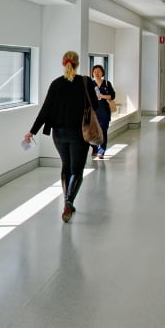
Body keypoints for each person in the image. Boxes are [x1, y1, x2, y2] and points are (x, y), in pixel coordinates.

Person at [23, 50, 98, 223]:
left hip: (59, 134)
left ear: (63, 63)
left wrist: (32, 131)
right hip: (80, 133)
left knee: (66, 165)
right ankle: (68, 201)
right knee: (77, 169)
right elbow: (95, 106)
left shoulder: (56, 84)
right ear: (77, 64)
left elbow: (45, 110)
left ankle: (67, 201)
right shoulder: (85, 82)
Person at [90, 64, 116, 160]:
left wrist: (102, 96)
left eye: (98, 71)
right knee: (93, 132)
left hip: (104, 111)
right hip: (93, 112)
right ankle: (95, 148)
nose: (96, 73)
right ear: (92, 73)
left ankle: (101, 151)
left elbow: (112, 96)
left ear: (102, 73)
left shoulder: (107, 83)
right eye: (95, 72)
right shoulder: (90, 84)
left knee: (103, 131)